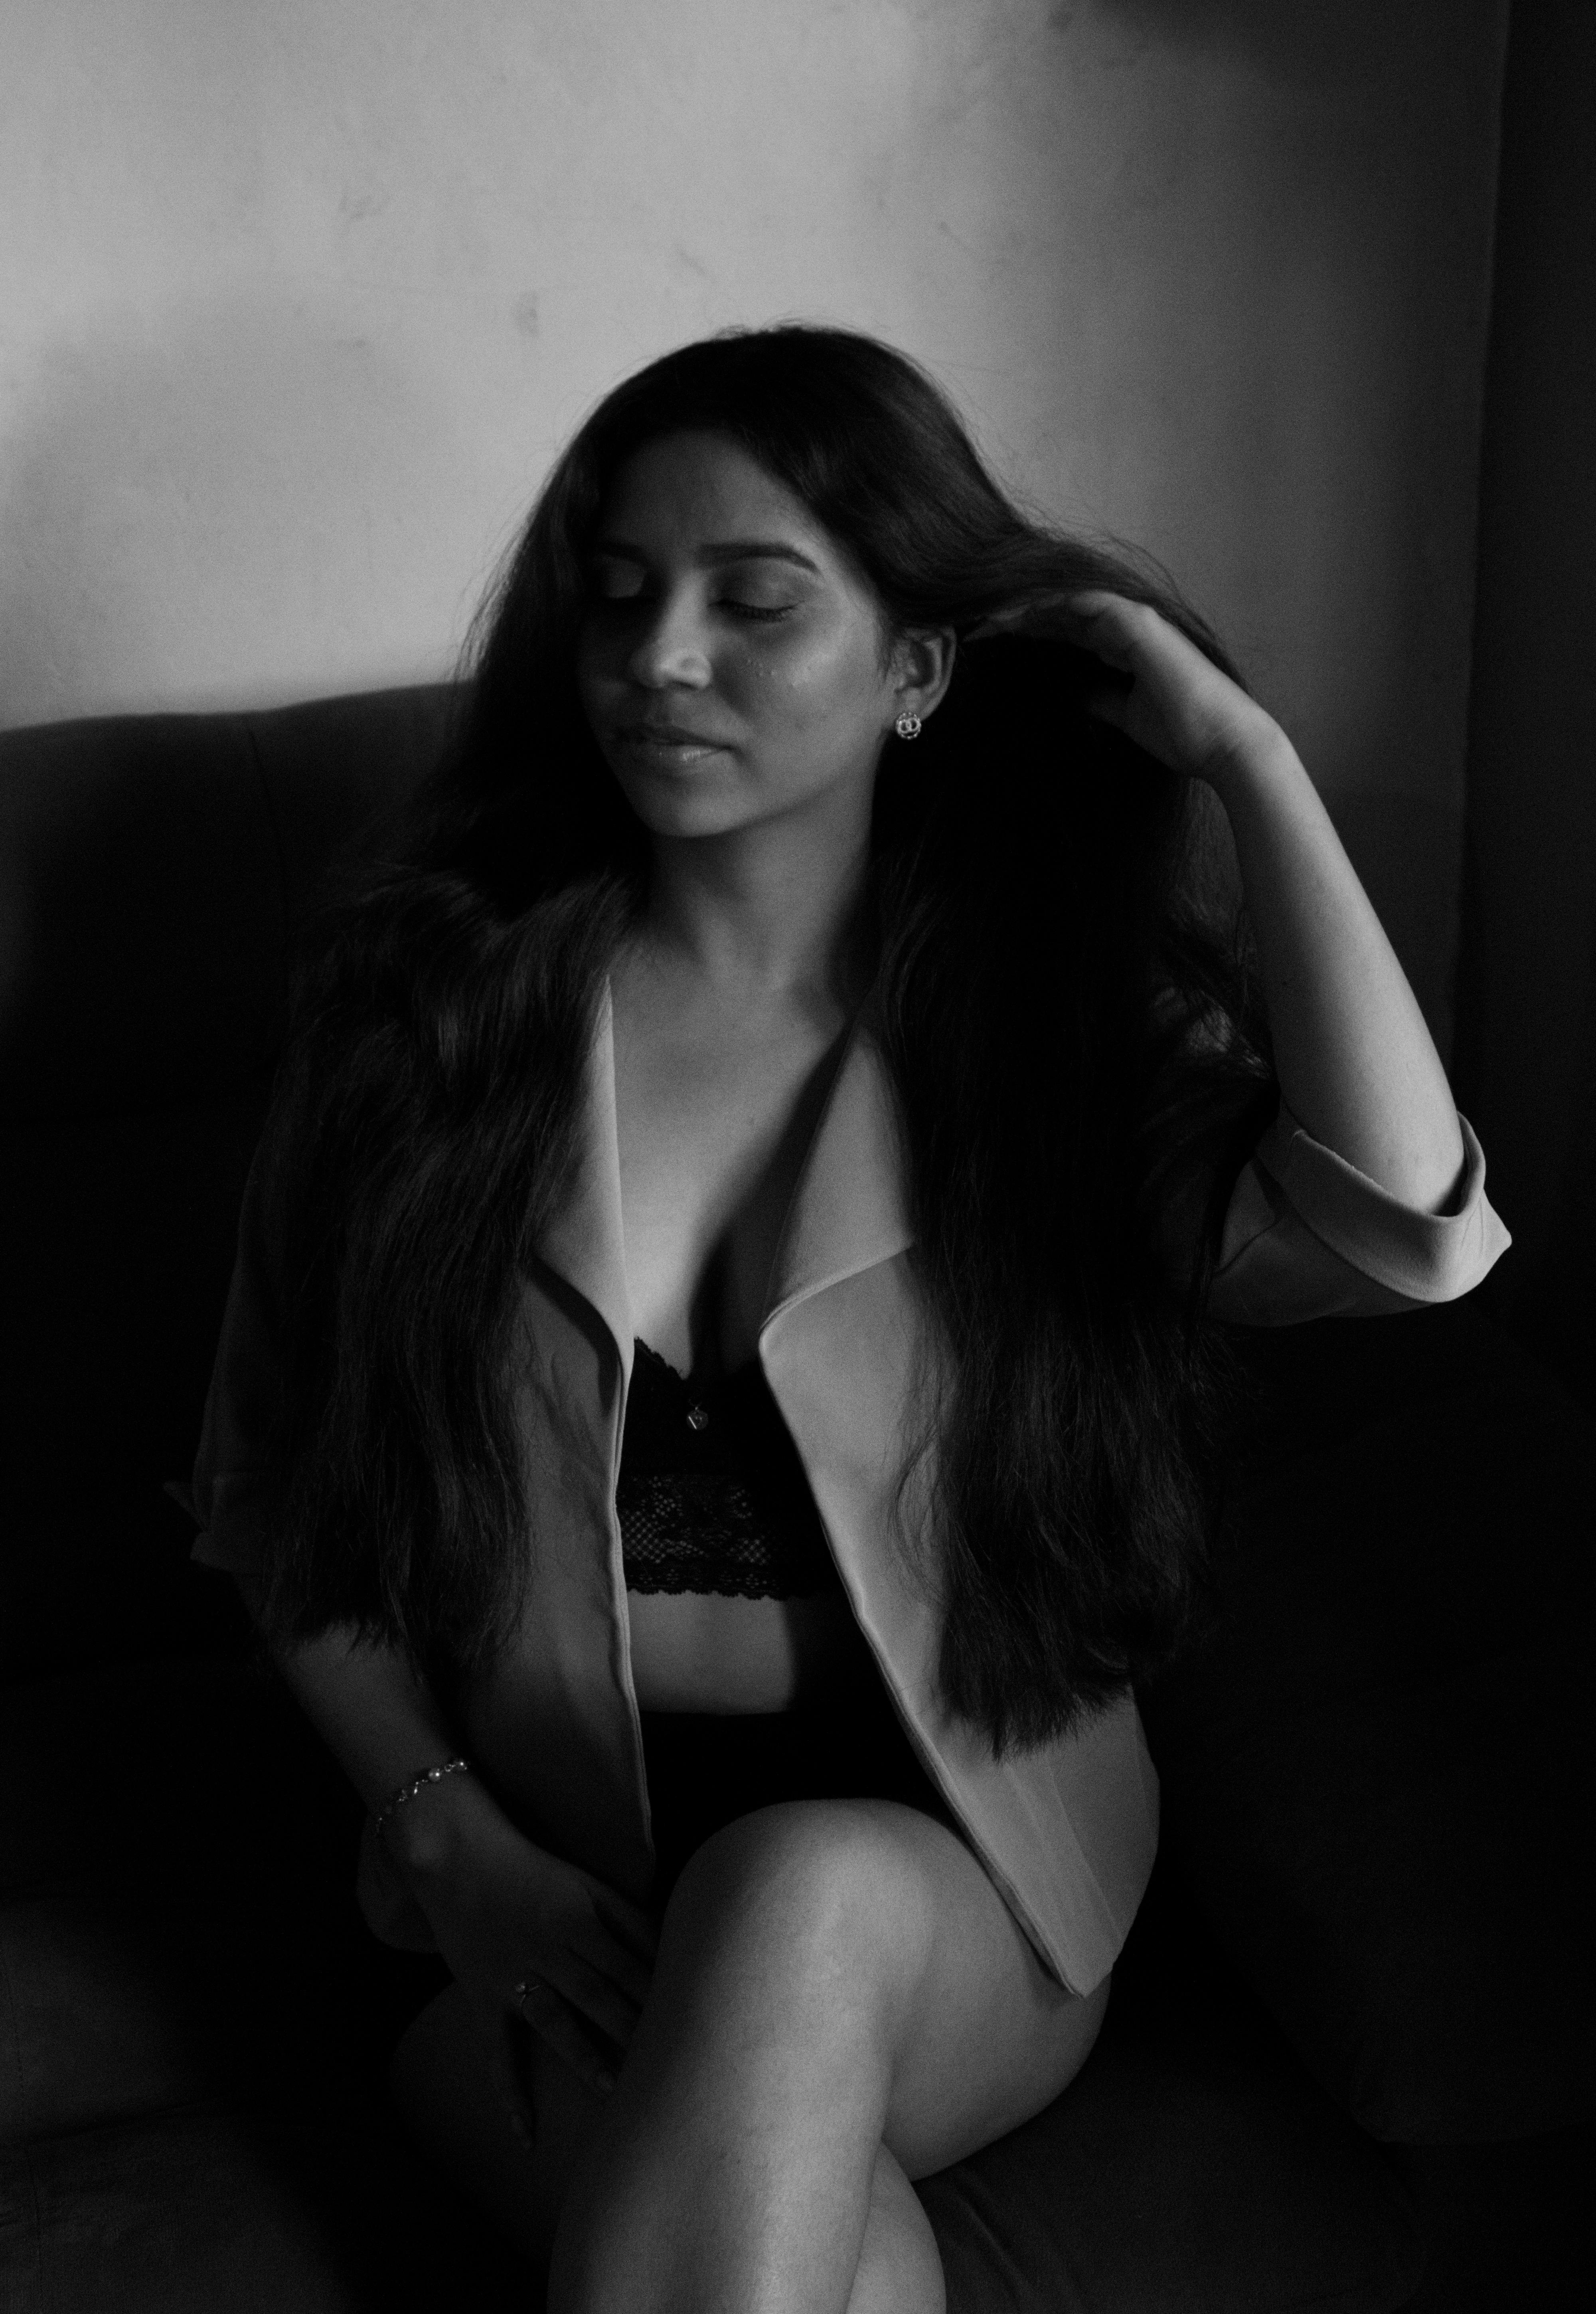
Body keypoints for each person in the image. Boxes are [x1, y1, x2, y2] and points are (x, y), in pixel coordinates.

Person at [188, 322, 1509, 2312]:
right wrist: (450, 1843)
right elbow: (272, 1486)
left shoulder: (1045, 1041)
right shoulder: (423, 1023)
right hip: (552, 1888)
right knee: (823, 2267)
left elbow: (1410, 1227)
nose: (658, 659)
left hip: (950, 1878)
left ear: (916, 669)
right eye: (617, 596)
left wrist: (1249, 755)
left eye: (755, 600)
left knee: (789, 1897)